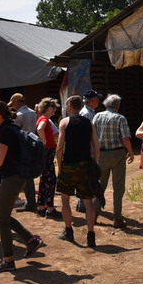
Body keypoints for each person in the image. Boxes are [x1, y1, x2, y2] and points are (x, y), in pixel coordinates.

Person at [0, 100, 45, 273]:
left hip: (11, 178)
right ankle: (31, 240)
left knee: (2, 220)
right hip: (17, 177)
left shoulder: (5, 131)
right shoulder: (11, 128)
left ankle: (8, 260)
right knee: (4, 216)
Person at [56, 95, 100, 247]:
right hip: (85, 165)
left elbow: (60, 147)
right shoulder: (88, 123)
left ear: (69, 107)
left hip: (69, 164)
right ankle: (91, 235)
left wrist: (60, 166)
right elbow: (96, 146)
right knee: (88, 202)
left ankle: (68, 231)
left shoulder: (65, 122)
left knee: (65, 199)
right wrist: (94, 163)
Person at [92, 94, 133, 229]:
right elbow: (125, 138)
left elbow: (91, 135)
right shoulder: (120, 118)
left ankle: (94, 214)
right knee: (118, 187)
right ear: (117, 105)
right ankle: (117, 218)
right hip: (117, 153)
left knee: (100, 185)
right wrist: (131, 153)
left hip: (101, 154)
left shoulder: (97, 116)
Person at [9, 93, 39, 212]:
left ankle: (28, 202)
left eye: (13, 104)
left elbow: (14, 132)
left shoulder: (19, 115)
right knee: (29, 175)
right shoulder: (32, 112)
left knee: (23, 175)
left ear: (17, 102)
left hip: (22, 147)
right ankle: (31, 201)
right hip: (32, 145)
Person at [34, 97, 60, 219]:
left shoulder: (44, 119)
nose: (54, 110)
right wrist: (44, 141)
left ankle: (41, 207)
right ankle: (49, 208)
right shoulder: (44, 119)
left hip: (47, 151)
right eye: (52, 108)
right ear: (47, 108)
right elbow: (40, 129)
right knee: (50, 180)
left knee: (45, 179)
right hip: (48, 151)